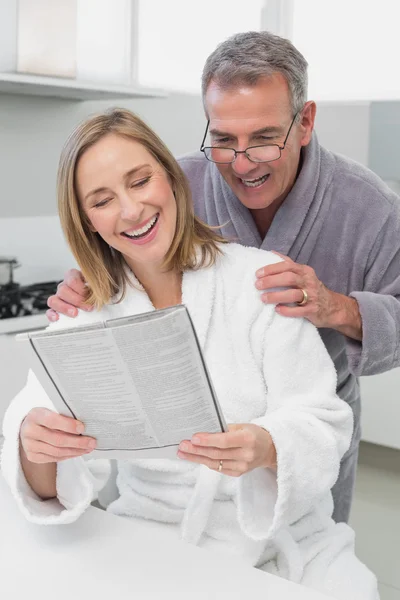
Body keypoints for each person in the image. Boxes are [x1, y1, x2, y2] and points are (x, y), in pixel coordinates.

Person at [1, 109, 378, 599]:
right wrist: (36, 446)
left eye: (140, 181)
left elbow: (324, 421)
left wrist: (265, 445)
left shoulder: (260, 281)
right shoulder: (87, 314)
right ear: (87, 221)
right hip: (152, 541)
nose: (132, 210)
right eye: (102, 200)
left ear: (172, 178)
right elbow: (48, 474)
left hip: (284, 550)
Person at [47, 31, 400, 525]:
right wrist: (94, 280)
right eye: (223, 139)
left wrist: (336, 307)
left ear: (305, 123)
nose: (241, 162)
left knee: (307, 533)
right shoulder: (177, 180)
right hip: (179, 443)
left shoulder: (367, 205)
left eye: (263, 139)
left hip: (302, 425)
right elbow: (126, 248)